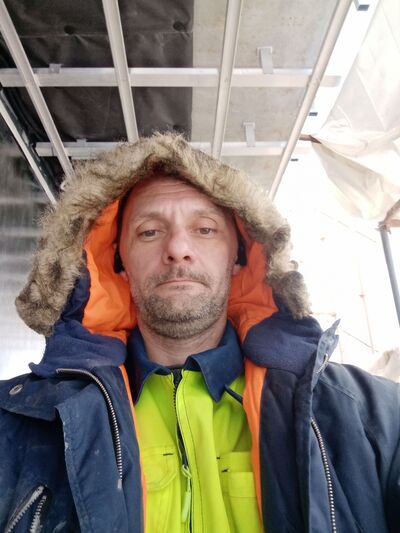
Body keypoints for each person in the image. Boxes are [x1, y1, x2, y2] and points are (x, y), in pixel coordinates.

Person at [0, 133, 399, 533]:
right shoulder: (17, 424)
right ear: (117, 261)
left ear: (239, 258)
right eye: (149, 232)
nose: (177, 248)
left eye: (205, 229)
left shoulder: (371, 418)